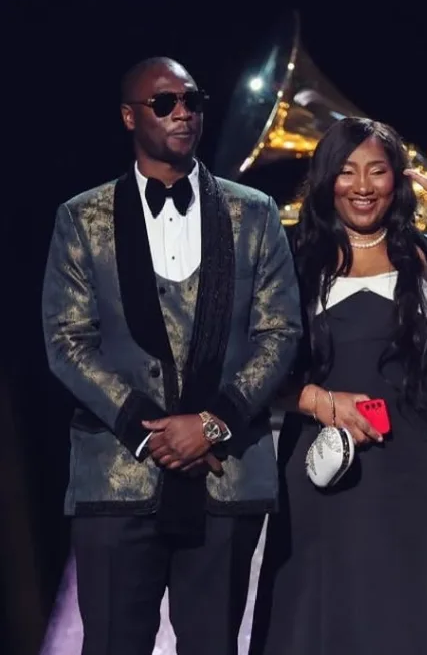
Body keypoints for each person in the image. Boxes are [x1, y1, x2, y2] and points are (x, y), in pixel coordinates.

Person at [40, 57, 302, 655]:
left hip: (226, 475)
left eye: (193, 100)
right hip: (116, 477)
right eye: (164, 103)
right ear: (130, 116)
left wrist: (212, 425)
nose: (183, 112)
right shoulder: (82, 219)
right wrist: (147, 430)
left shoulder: (254, 213)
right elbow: (66, 341)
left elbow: (281, 332)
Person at [249, 117, 427, 654]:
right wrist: (319, 403)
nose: (362, 186)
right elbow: (257, 369)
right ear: (325, 180)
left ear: (398, 179)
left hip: (414, 460)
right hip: (323, 463)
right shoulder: (292, 261)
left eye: (377, 171)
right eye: (346, 172)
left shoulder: (422, 255)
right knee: (327, 606)